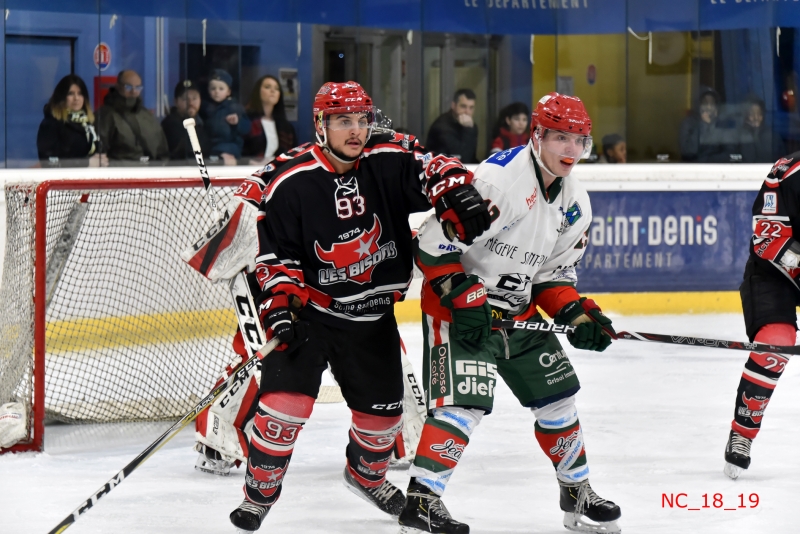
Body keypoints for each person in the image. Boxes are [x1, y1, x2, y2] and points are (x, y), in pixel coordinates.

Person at [224, 81, 491, 532]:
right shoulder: (289, 178)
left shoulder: (386, 156)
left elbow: (432, 163)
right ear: (320, 125)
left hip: (371, 319)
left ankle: (365, 476)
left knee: (382, 421)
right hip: (311, 313)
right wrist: (281, 307)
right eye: (343, 121)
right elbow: (274, 254)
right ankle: (259, 494)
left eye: (362, 120)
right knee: (282, 411)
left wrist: (454, 189)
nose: (356, 130)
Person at [399, 92, 622, 534]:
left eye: (579, 140)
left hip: (517, 313)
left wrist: (576, 314)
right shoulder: (497, 182)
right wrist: (463, 296)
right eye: (560, 138)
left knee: (558, 398)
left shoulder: (577, 203)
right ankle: (421, 502)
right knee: (464, 405)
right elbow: (430, 244)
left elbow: (552, 277)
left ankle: (576, 492)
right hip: (458, 311)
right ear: (536, 136)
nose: (571, 151)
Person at [723, 151, 800, 480]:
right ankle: (743, 431)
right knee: (775, 344)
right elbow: (768, 239)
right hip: (774, 272)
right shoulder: (788, 171)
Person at [97, 69, 169, 165]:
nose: (133, 91)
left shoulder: (147, 116)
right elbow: (99, 154)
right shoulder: (106, 115)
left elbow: (162, 150)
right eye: (128, 87)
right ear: (118, 86)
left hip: (151, 173)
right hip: (120, 175)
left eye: (138, 87)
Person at [37, 74, 106, 167]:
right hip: (63, 179)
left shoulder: (88, 122)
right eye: (71, 93)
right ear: (62, 97)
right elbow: (48, 162)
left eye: (80, 93)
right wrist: (86, 163)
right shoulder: (51, 124)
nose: (76, 98)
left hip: (89, 177)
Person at [242, 75, 297, 165]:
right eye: (267, 87)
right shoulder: (246, 120)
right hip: (249, 171)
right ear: (258, 92)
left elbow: (294, 154)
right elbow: (238, 152)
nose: (273, 91)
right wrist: (247, 161)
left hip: (277, 174)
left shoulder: (286, 127)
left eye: (276, 88)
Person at [200, 69, 251, 164]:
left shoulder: (235, 107)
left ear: (228, 92)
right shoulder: (206, 108)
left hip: (230, 150)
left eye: (221, 89)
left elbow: (247, 128)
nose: (216, 92)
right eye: (213, 88)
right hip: (211, 150)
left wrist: (237, 122)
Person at [678, 88, 738, 163]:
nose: (709, 107)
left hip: (717, 170)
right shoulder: (688, 123)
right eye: (705, 103)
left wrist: (707, 161)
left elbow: (730, 154)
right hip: (692, 170)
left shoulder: (722, 124)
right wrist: (702, 124)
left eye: (712, 103)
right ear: (698, 105)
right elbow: (688, 152)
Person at [161, 80, 211, 163]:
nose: (191, 103)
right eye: (185, 99)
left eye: (194, 98)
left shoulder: (204, 123)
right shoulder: (170, 125)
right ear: (176, 102)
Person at [426, 89, 479, 163]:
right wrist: (469, 130)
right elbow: (463, 159)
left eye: (471, 108)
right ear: (453, 105)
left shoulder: (470, 125)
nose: (467, 112)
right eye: (463, 106)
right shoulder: (442, 127)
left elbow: (471, 158)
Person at [738, 98, 785, 163]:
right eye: (752, 114)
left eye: (759, 114)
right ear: (746, 116)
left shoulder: (773, 136)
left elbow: (784, 160)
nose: (756, 118)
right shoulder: (739, 136)